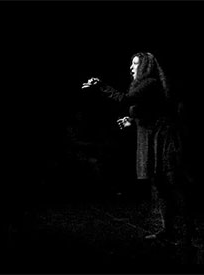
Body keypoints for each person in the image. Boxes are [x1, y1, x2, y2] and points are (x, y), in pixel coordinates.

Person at [82, 52, 194, 247]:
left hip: (164, 139)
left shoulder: (150, 83)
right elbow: (150, 110)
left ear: (145, 67)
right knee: (159, 185)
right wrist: (131, 121)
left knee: (171, 183)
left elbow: (126, 100)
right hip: (152, 137)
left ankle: (187, 230)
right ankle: (168, 230)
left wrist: (100, 85)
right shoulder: (144, 86)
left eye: (135, 64)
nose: (131, 68)